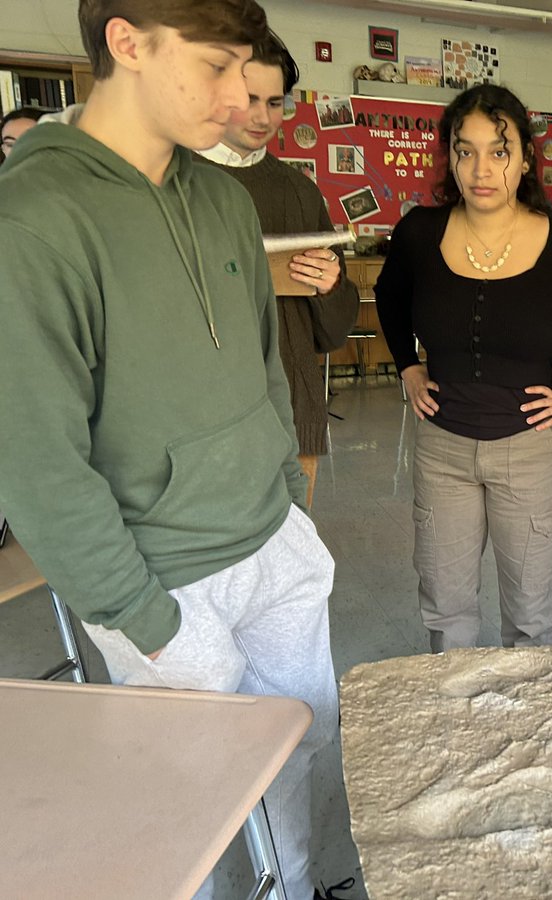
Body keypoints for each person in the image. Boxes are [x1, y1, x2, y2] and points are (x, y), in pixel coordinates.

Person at [0, 3, 338, 898]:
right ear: (127, 42)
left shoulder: (222, 198)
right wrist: (143, 620)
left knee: (300, 753)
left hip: (275, 546)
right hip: (165, 583)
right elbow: (35, 464)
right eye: (218, 67)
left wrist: (292, 514)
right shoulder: (33, 219)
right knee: (193, 808)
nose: (240, 100)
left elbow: (266, 368)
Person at [375, 84, 552, 652]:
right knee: (446, 613)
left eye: (499, 151)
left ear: (524, 159)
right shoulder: (421, 233)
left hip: (527, 452)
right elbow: (388, 296)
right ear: (449, 156)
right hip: (442, 449)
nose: (481, 169)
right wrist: (407, 366)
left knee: (530, 617)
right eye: (465, 150)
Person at [195, 31, 360, 509]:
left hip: (292, 409)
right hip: (202, 419)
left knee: (290, 565)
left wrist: (329, 287)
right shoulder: (172, 179)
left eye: (274, 101)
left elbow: (333, 333)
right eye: (248, 100)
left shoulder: (299, 191)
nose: (262, 117)